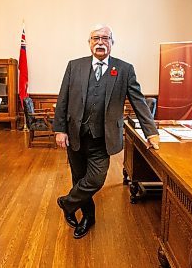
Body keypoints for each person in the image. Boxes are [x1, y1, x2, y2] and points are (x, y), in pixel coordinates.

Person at [54, 24, 159, 239]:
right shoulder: (75, 66)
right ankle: (88, 217)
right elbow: (62, 99)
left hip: (103, 139)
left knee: (94, 180)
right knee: (79, 178)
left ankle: (66, 203)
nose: (100, 42)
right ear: (89, 42)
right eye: (96, 38)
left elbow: (138, 102)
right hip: (75, 135)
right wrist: (60, 130)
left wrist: (151, 131)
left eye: (105, 38)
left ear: (112, 42)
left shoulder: (124, 69)